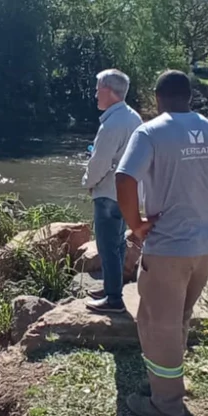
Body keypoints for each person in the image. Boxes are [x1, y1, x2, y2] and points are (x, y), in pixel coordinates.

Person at [115, 70, 208, 416]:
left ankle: (166, 404)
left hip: (167, 248)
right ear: (189, 97)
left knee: (155, 323)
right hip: (204, 246)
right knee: (179, 317)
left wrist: (136, 225)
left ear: (158, 97)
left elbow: (124, 177)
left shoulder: (150, 132)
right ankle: (171, 383)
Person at [81, 69, 142, 314]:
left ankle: (113, 299)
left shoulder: (112, 124)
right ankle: (110, 287)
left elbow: (100, 163)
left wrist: (88, 182)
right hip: (127, 193)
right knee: (116, 243)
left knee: (107, 245)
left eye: (98, 88)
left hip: (108, 192)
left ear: (109, 91)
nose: (95, 93)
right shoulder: (132, 117)